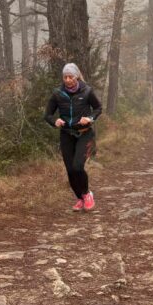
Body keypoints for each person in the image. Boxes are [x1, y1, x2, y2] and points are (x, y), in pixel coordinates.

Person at [44, 63, 102, 212]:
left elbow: (98, 108)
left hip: (84, 133)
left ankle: (87, 194)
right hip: (66, 134)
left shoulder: (87, 91)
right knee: (70, 170)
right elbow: (48, 115)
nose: (68, 80)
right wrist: (54, 121)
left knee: (77, 166)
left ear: (76, 77)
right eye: (65, 77)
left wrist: (89, 118)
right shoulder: (57, 94)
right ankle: (80, 198)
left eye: (70, 77)